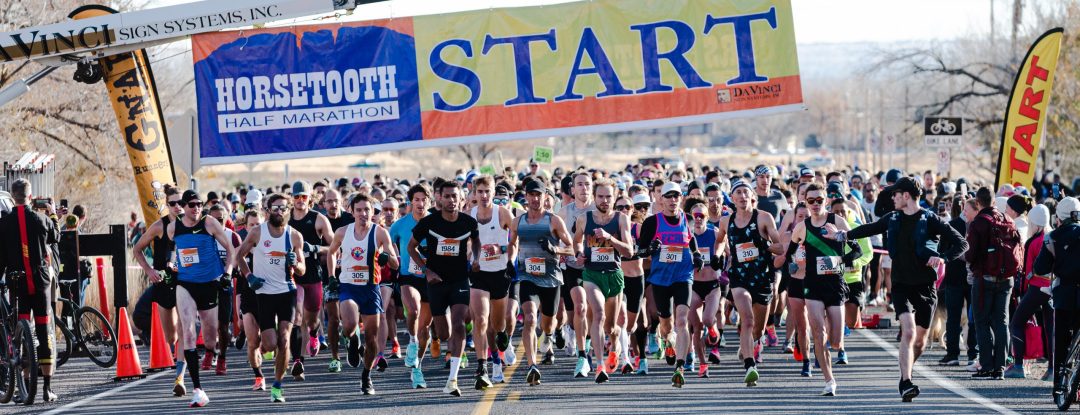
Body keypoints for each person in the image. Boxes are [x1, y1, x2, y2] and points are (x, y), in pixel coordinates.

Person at [823, 177, 967, 402]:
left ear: (906, 196)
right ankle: (907, 381)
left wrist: (942, 258)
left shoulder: (931, 220)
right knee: (908, 332)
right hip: (901, 285)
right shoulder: (893, 218)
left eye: (896, 194)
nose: (893, 198)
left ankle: (904, 376)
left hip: (925, 287)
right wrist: (841, 235)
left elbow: (961, 244)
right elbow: (868, 229)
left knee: (919, 341)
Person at [408, 181, 481, 396]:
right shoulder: (429, 222)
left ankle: (452, 380)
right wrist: (426, 270)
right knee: (444, 332)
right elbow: (411, 247)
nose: (450, 200)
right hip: (436, 282)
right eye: (446, 196)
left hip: (459, 280)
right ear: (439, 199)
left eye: (454, 196)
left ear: (461, 199)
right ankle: (434, 340)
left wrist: (476, 257)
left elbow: (476, 241)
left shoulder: (469, 222)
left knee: (458, 325)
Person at [788, 184, 860, 396]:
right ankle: (829, 380)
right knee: (817, 332)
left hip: (835, 285)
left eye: (819, 200)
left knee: (836, 341)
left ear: (826, 200)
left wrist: (840, 255)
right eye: (811, 201)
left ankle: (828, 348)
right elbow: (791, 251)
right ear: (806, 203)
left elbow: (856, 250)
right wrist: (792, 264)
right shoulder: (802, 226)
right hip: (812, 285)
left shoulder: (837, 221)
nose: (815, 204)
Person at [167, 190, 237, 407]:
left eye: (199, 204)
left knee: (210, 335)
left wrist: (227, 273)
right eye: (192, 204)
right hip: (186, 282)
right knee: (187, 330)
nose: (196, 207)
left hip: (211, 282)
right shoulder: (172, 227)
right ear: (183, 206)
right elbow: (157, 248)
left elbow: (231, 249)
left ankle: (214, 352)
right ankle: (197, 389)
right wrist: (161, 267)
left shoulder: (209, 223)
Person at [235, 194, 306, 403]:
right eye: (275, 208)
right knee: (269, 343)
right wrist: (249, 276)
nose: (279, 212)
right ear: (268, 210)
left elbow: (302, 270)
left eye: (283, 208)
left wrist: (296, 263)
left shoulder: (295, 236)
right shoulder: (258, 232)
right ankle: (263, 362)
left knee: (284, 339)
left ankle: (277, 386)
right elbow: (240, 255)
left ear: (289, 210)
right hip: (263, 293)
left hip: (286, 292)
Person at [327, 193, 400, 395]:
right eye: (358, 210)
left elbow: (395, 262)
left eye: (367, 209)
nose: (363, 213)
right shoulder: (342, 232)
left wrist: (387, 258)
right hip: (349, 286)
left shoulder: (380, 233)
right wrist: (332, 276)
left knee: (372, 340)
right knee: (349, 325)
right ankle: (351, 339)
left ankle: (366, 376)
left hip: (371, 288)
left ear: (372, 212)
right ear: (351, 211)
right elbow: (331, 253)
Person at [717, 180, 784, 386]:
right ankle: (749, 365)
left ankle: (749, 345)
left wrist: (763, 245)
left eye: (746, 192)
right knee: (746, 320)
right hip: (739, 276)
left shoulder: (764, 217)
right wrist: (716, 255)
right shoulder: (726, 221)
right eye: (738, 193)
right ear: (733, 198)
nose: (743, 196)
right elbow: (720, 240)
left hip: (762, 277)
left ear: (752, 196)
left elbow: (780, 247)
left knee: (758, 330)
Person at [637, 182, 703, 388]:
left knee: (682, 321)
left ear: (681, 198)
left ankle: (680, 367)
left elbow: (691, 241)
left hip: (683, 275)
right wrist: (651, 248)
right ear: (661, 200)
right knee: (666, 323)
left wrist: (697, 255)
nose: (673, 200)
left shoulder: (688, 219)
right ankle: (667, 341)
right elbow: (640, 251)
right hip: (660, 278)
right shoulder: (651, 223)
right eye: (669, 196)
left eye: (677, 196)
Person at [509, 180, 575, 386]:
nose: (535, 199)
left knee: (548, 322)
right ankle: (532, 365)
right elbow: (511, 244)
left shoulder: (554, 221)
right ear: (526, 197)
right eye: (531, 195)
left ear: (546, 197)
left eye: (539, 195)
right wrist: (510, 262)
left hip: (551, 278)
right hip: (527, 277)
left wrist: (555, 250)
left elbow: (571, 249)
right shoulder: (517, 222)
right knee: (529, 318)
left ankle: (548, 335)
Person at [0, 179, 60, 403]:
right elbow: (56, 236)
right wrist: (53, 214)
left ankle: (24, 385)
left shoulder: (3, 224)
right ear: (30, 195)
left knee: (22, 328)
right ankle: (46, 388)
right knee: (43, 330)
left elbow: (1, 259)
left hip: (18, 283)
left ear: (13, 197)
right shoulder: (41, 219)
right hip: (40, 280)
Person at [574, 178, 634, 383]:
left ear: (614, 197)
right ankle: (600, 365)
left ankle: (615, 344)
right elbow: (577, 243)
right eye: (600, 196)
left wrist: (610, 237)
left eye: (609, 196)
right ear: (594, 197)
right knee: (597, 315)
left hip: (614, 275)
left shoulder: (621, 219)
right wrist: (579, 254)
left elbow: (629, 251)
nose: (605, 200)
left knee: (611, 327)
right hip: (591, 274)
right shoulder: (584, 218)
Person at [966, 187, 1023, 380]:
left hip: (984, 279)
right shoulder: (1007, 220)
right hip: (1007, 279)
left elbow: (970, 254)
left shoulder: (979, 223)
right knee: (1002, 322)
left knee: (981, 322)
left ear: (978, 202)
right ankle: (1000, 367)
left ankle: (987, 365)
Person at [131, 185, 184, 382]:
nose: (178, 207)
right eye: (173, 203)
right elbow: (137, 249)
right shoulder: (159, 226)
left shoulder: (192, 224)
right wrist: (149, 270)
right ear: (167, 205)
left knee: (185, 326)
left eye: (181, 203)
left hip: (187, 281)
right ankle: (175, 355)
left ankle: (183, 372)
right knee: (171, 336)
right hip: (165, 283)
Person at [466, 176, 514, 388]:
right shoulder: (469, 216)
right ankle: (484, 365)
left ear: (493, 192)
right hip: (479, 274)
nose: (484, 196)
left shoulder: (502, 213)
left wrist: (504, 252)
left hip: (500, 273)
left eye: (488, 191)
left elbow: (515, 238)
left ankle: (501, 344)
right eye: (480, 191)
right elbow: (466, 244)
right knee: (481, 320)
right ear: (474, 194)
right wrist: (472, 260)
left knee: (498, 324)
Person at [1034, 197, 1080, 403]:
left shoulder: (1053, 237)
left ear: (1059, 216)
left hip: (1065, 295)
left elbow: (1040, 268)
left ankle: (1059, 387)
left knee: (1061, 341)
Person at [287, 181, 334, 380]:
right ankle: (298, 361)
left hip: (313, 275)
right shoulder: (286, 220)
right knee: (297, 318)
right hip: (292, 275)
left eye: (303, 197)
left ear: (310, 198)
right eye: (296, 196)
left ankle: (315, 334)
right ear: (292, 198)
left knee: (312, 320)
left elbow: (335, 247)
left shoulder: (319, 219)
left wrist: (315, 248)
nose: (300, 200)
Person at [392, 184, 435, 389]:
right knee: (414, 310)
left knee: (425, 328)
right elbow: (388, 243)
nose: (419, 203)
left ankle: (417, 368)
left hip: (430, 277)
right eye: (415, 200)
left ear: (429, 201)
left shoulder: (436, 222)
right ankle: (410, 339)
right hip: (408, 276)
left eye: (423, 199)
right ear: (410, 202)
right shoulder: (400, 225)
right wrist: (393, 258)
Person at [1004, 204, 1052, 380]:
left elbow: (1028, 271)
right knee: (1050, 328)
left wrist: (1022, 291)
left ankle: (1018, 366)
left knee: (1016, 322)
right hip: (1052, 288)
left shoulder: (1033, 241)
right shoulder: (1052, 237)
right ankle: (1052, 370)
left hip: (1036, 288)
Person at [559, 172, 594, 363]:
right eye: (579, 184)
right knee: (577, 309)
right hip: (572, 267)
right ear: (572, 189)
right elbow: (556, 240)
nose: (584, 188)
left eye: (587, 184)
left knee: (589, 310)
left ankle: (586, 346)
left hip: (595, 267)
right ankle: (576, 338)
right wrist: (564, 254)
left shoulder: (599, 210)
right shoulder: (564, 212)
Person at [686, 201, 723, 379]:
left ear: (707, 218)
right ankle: (702, 364)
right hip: (693, 285)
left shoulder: (714, 233)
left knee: (708, 319)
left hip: (712, 284)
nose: (698, 219)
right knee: (696, 327)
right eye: (695, 216)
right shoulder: (686, 235)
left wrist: (721, 266)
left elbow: (728, 252)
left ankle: (714, 332)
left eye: (702, 216)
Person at [940, 198, 978, 367]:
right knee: (970, 318)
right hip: (968, 277)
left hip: (957, 276)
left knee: (956, 317)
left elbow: (942, 250)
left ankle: (954, 353)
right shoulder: (977, 225)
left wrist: (951, 256)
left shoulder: (953, 225)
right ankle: (970, 354)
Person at [320, 188, 353, 373]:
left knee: (350, 318)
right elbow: (319, 251)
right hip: (328, 276)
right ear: (323, 204)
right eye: (329, 201)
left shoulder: (349, 219)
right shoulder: (321, 222)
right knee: (333, 318)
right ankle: (335, 357)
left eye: (336, 200)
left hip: (351, 274)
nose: (333, 204)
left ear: (342, 201)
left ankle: (349, 336)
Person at [207, 204, 242, 375]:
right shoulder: (204, 235)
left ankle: (222, 358)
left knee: (222, 325)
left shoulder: (233, 237)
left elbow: (235, 259)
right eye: (213, 219)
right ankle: (209, 351)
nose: (217, 223)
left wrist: (228, 272)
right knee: (209, 323)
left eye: (220, 219)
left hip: (225, 285)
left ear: (227, 219)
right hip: (206, 284)